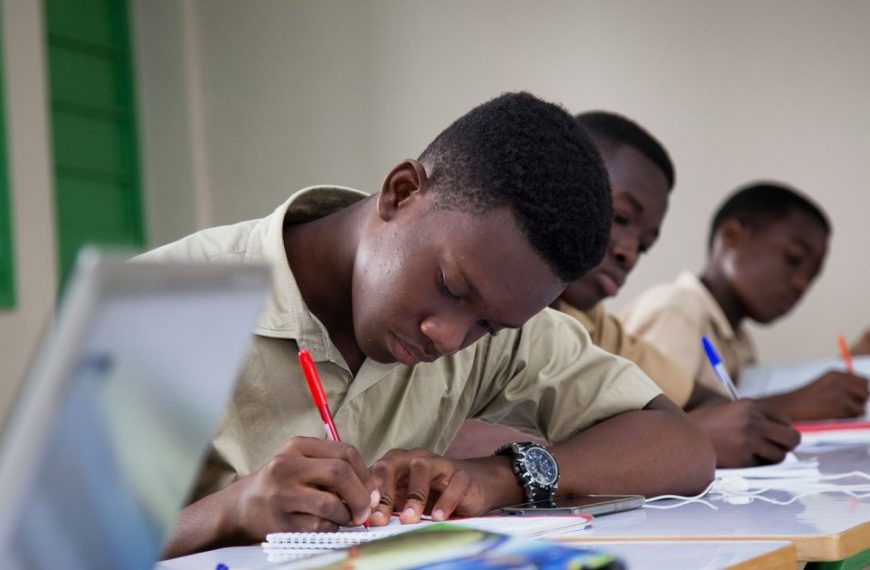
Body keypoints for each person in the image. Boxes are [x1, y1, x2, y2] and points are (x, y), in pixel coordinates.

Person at [138, 92, 714, 557]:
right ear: (402, 192)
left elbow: (683, 446)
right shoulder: (167, 301)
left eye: (486, 325)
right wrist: (232, 511)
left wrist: (501, 477)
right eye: (450, 287)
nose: (449, 337)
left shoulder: (499, 313)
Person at [447, 112, 800, 469]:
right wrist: (674, 441)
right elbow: (449, 440)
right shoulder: (477, 312)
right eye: (620, 218)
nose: (629, 253)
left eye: (644, 245)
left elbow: (705, 403)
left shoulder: (593, 325)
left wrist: (673, 435)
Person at [620, 183, 870, 426]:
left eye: (812, 276)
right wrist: (792, 404)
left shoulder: (740, 340)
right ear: (732, 236)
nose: (801, 284)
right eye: (793, 259)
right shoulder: (677, 311)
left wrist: (840, 377)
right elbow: (651, 427)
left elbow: (726, 407)